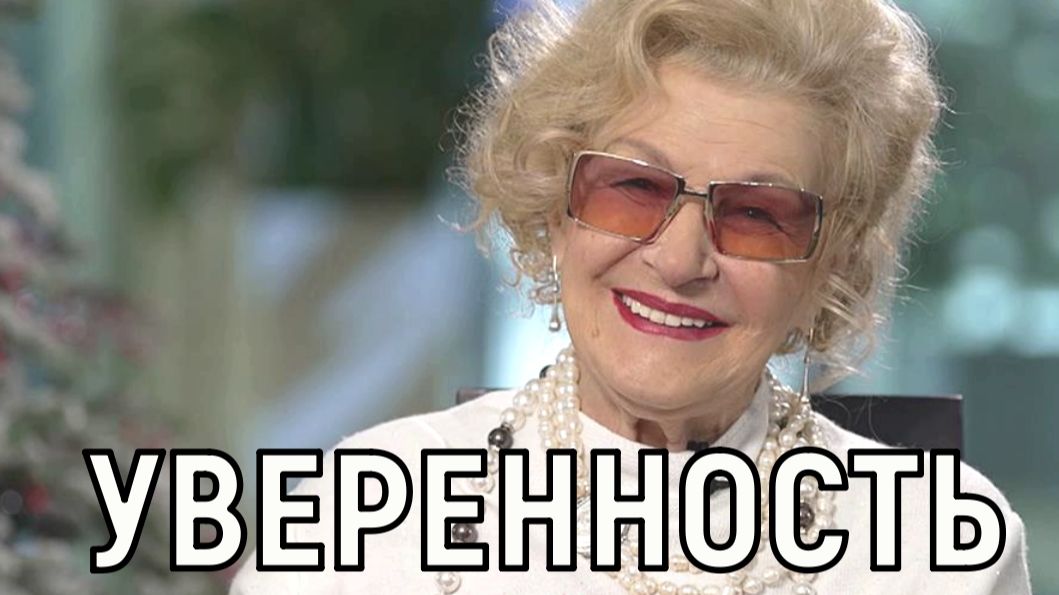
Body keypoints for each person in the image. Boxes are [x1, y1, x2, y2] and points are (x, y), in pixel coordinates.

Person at [231, 0, 1032, 593]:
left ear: (828, 264)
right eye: (632, 188)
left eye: (755, 214)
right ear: (554, 208)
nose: (680, 259)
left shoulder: (940, 548)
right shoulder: (350, 522)